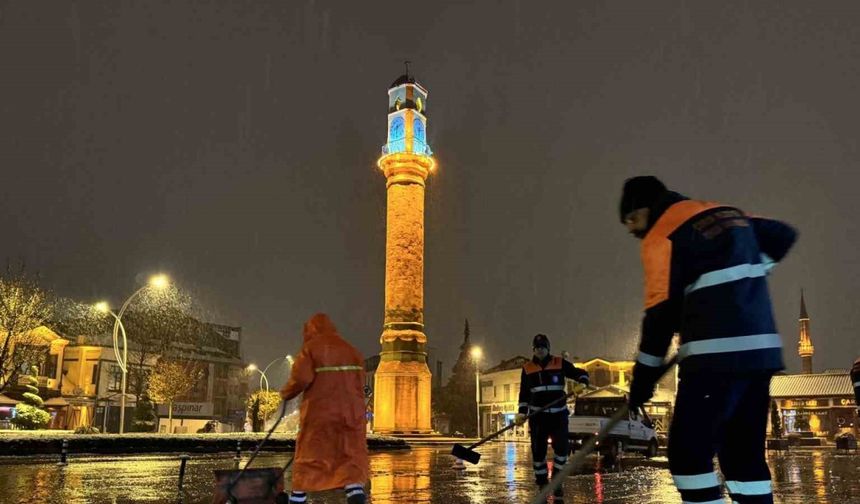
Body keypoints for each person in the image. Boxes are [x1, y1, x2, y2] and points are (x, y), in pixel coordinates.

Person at [620, 176, 797, 504]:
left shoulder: (661, 235)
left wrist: (642, 382)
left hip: (714, 357)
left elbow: (659, 318)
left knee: (688, 455)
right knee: (743, 457)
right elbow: (784, 234)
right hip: (760, 356)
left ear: (647, 208)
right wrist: (753, 270)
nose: (631, 229)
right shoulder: (727, 215)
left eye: (631, 219)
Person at [279, 314, 369, 504]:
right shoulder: (352, 350)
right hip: (351, 415)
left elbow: (301, 378)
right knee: (349, 457)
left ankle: (297, 498)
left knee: (309, 456)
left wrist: (286, 393)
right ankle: (355, 494)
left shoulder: (311, 349)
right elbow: (360, 383)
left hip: (320, 413)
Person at [516, 333, 589, 501]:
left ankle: (557, 482)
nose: (540, 351)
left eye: (542, 347)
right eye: (537, 348)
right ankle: (542, 484)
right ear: (533, 350)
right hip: (538, 417)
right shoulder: (527, 368)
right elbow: (524, 393)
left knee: (562, 450)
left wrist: (582, 383)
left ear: (548, 348)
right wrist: (522, 412)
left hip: (558, 415)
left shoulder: (559, 363)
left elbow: (579, 373)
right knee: (538, 453)